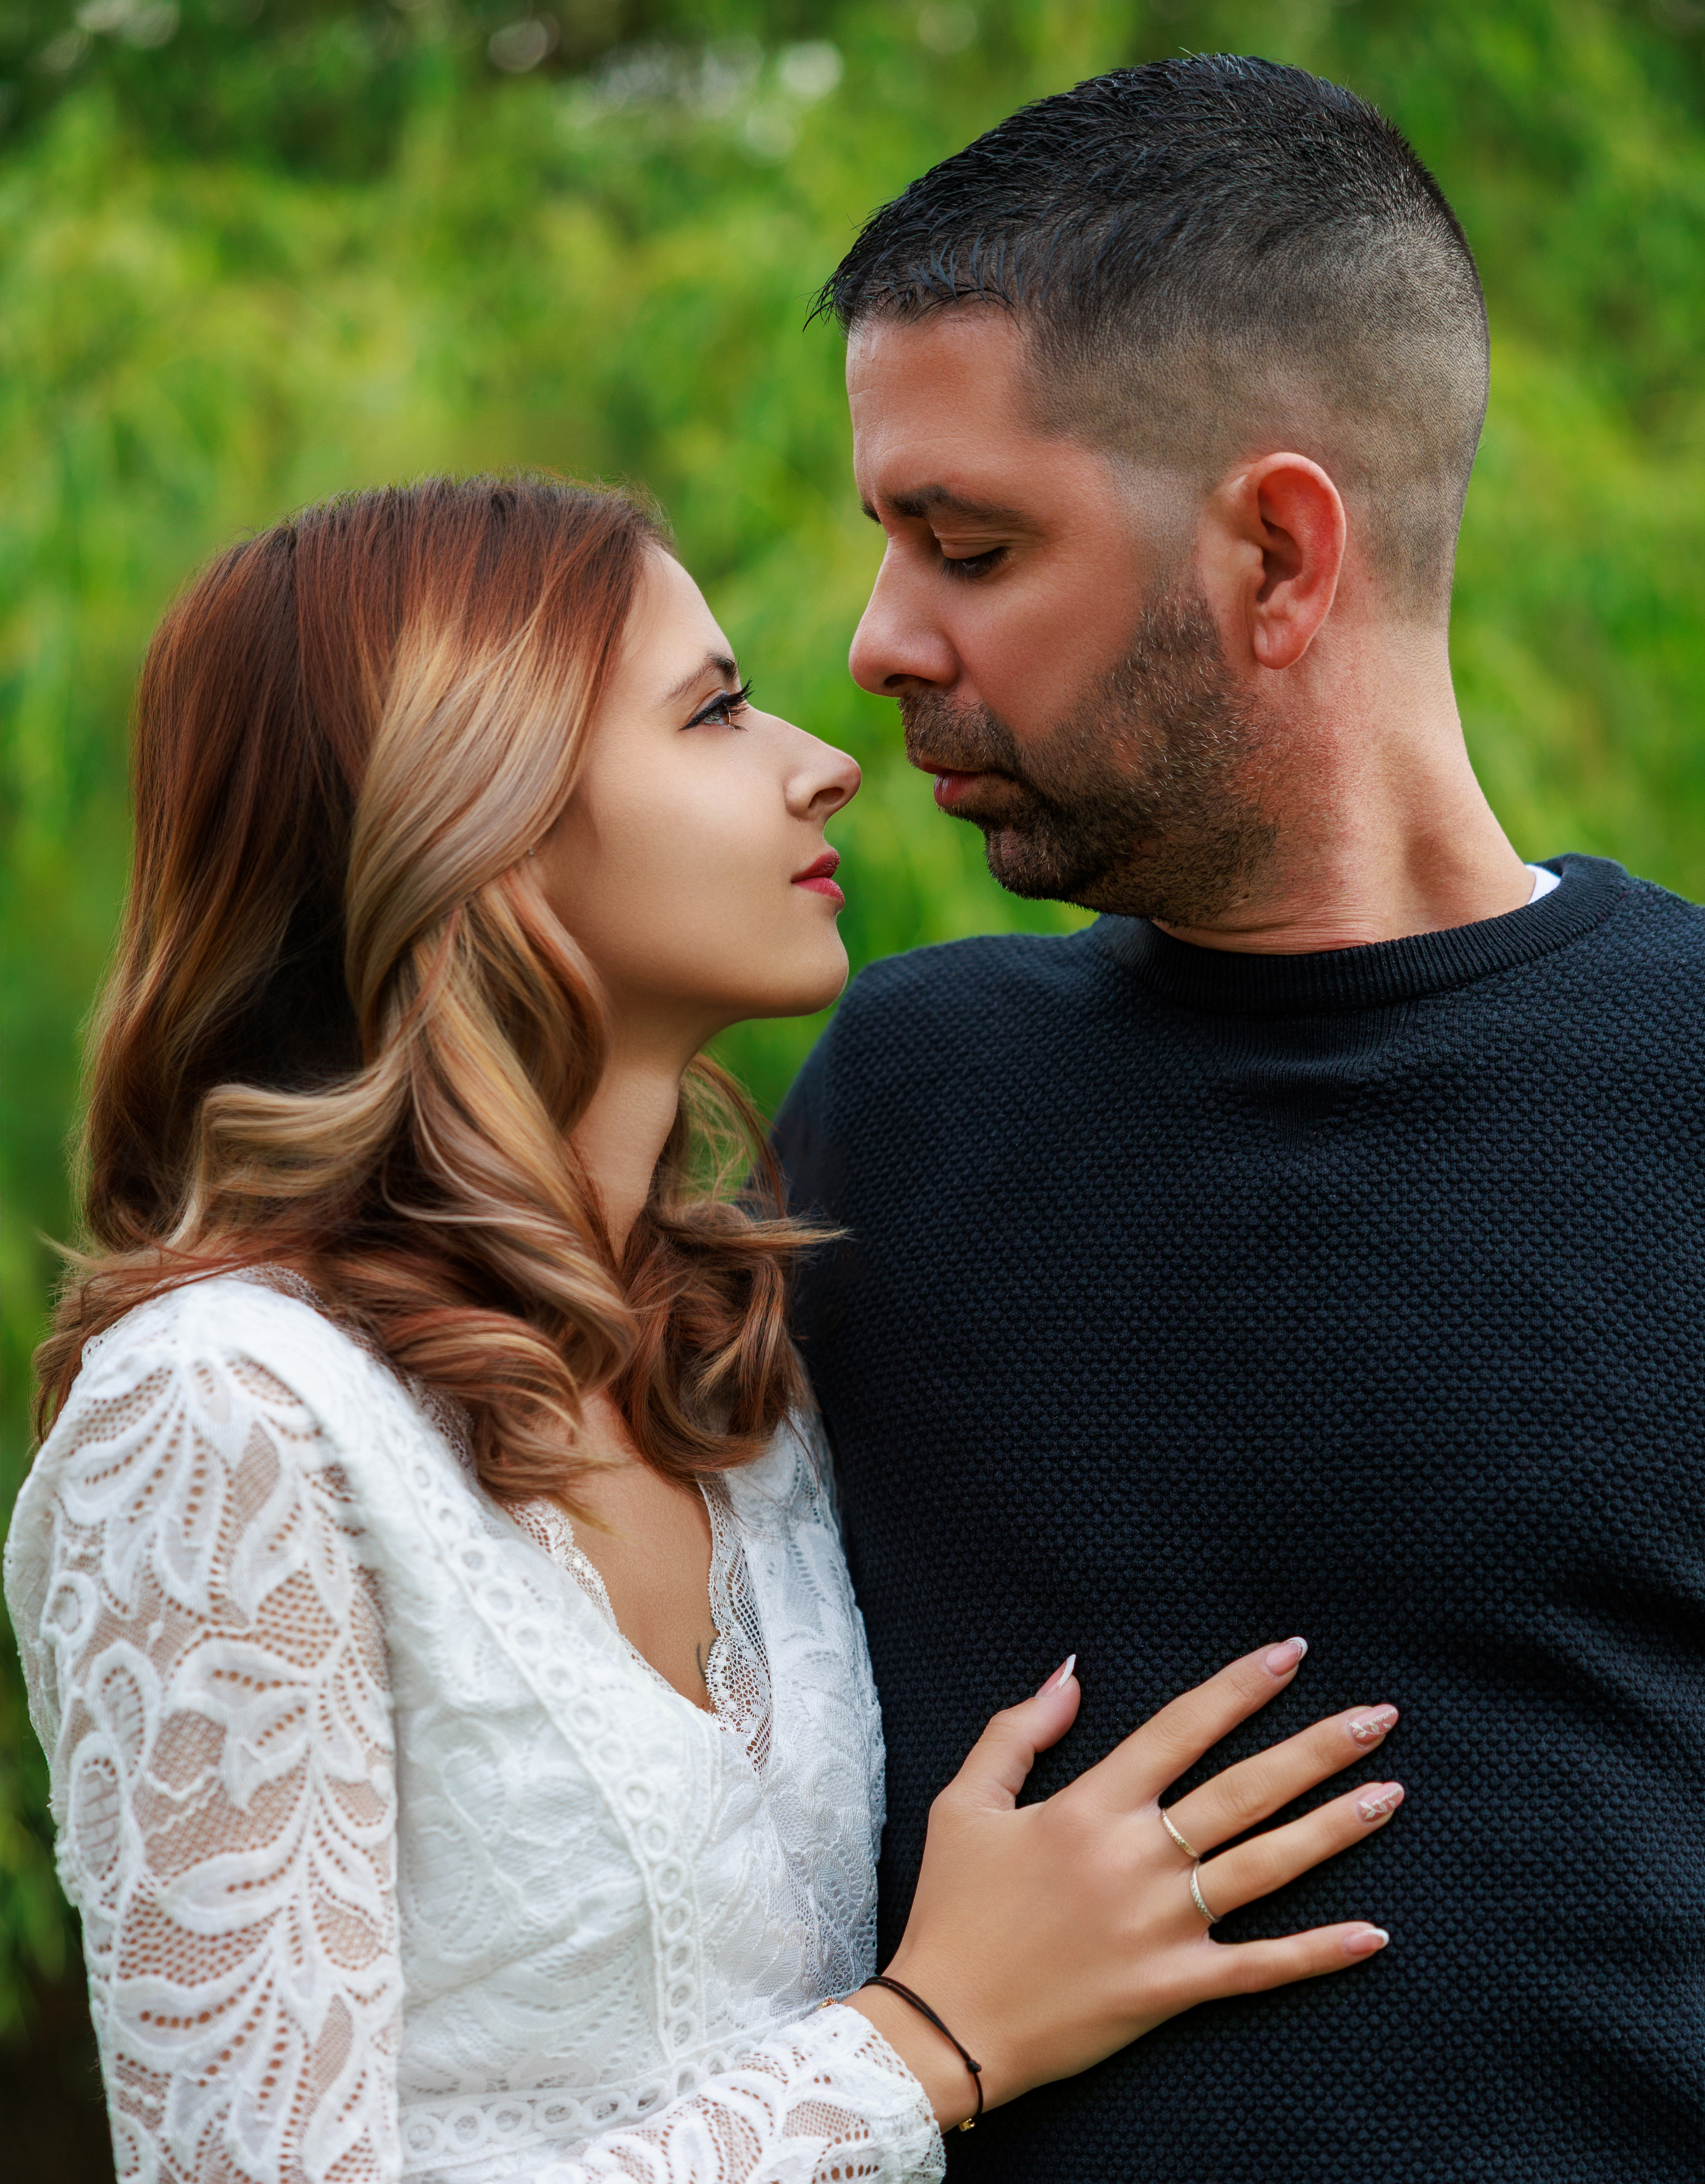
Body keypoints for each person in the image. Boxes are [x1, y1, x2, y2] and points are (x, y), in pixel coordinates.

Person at [5, 476, 1404, 2184]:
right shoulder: (228, 1414)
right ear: (480, 813)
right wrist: (930, 2043)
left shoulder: (740, 1377)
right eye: (715, 710)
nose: (822, 757)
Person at [778, 56, 1705, 2183]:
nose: (876, 638)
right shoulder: (891, 1110)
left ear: (1280, 550)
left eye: (969, 543)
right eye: (886, 538)